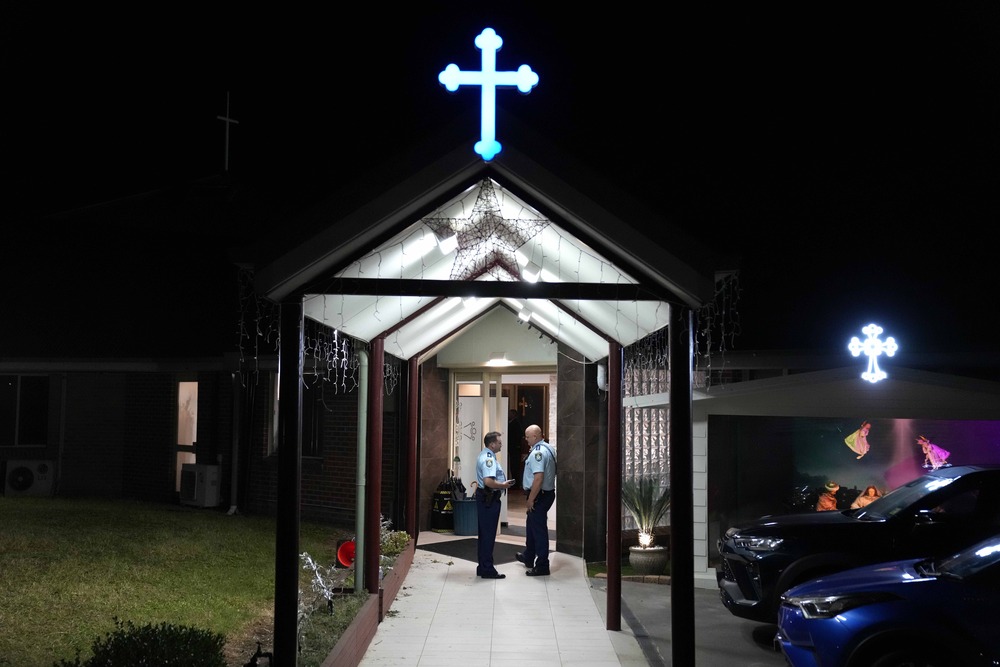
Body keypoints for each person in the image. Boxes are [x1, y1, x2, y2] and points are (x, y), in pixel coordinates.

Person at [517, 424, 557, 576]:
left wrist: (531, 499)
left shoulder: (537, 453)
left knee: (539, 530)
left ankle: (542, 565)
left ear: (535, 436)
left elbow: (538, 478)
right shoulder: (549, 448)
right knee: (531, 525)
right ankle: (528, 556)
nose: (526, 440)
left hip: (539, 495)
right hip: (546, 494)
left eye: (527, 437)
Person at [474, 431, 515, 579]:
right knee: (488, 535)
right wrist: (503, 485)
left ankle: (483, 566)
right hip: (489, 499)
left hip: (486, 498)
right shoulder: (488, 459)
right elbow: (488, 481)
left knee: (485, 533)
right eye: (499, 442)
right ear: (492, 444)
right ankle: (487, 569)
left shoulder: (485, 455)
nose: (501, 444)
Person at [507, 409, 524, 489]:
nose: (508, 415)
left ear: (514, 414)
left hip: (515, 448)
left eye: (510, 413)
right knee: (512, 466)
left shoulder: (516, 423)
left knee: (515, 466)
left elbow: (518, 435)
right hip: (512, 448)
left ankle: (516, 484)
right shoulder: (511, 422)